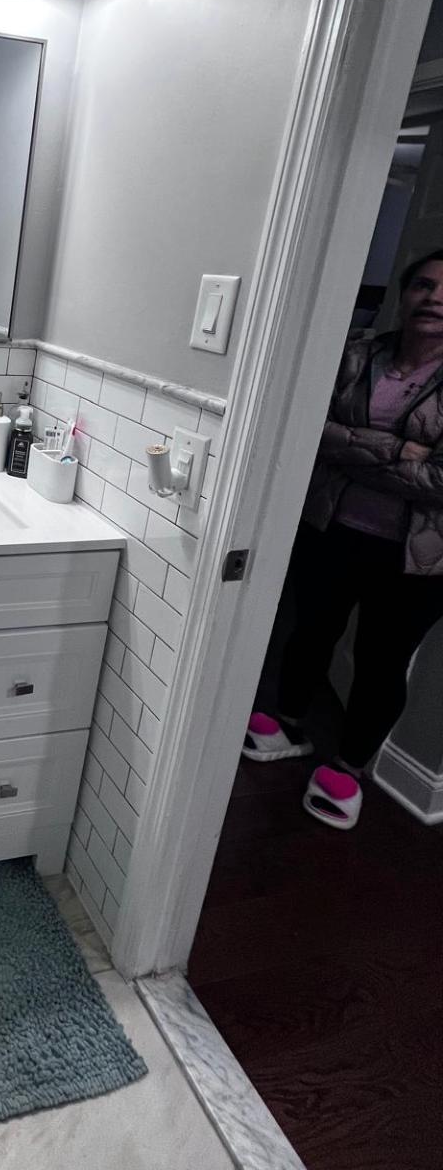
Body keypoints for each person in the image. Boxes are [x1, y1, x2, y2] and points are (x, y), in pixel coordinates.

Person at [243, 249, 443, 828]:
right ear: (404, 293)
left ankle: (349, 768)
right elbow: (309, 429)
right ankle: (288, 724)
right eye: (423, 285)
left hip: (415, 560)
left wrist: (351, 446)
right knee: (309, 632)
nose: (433, 299)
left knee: (382, 663)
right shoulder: (358, 356)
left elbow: (440, 482)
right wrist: (398, 450)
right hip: (330, 528)